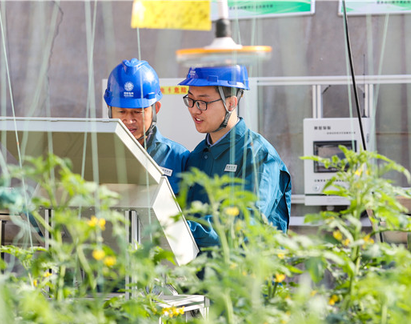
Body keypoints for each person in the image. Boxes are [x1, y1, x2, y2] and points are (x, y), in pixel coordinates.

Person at [178, 65, 291, 248]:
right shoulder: (198, 156)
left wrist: (182, 229)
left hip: (246, 274)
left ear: (231, 103)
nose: (194, 110)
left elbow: (247, 224)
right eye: (190, 100)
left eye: (202, 102)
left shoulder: (259, 156)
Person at [104, 58, 189, 196]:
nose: (129, 120)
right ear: (109, 109)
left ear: (156, 108)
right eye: (121, 112)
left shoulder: (178, 157)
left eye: (138, 112)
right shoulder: (97, 153)